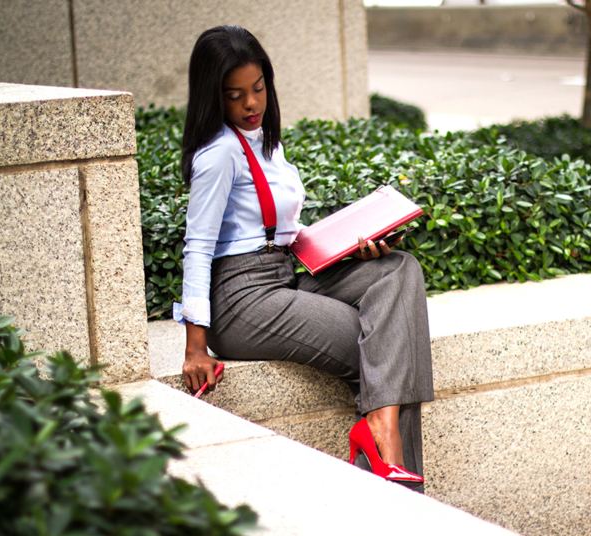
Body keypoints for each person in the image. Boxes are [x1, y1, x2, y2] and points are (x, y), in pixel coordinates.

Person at [174, 25, 434, 489]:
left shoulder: (265, 145)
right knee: (391, 347)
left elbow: (283, 233)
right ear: (214, 97)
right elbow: (197, 246)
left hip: (283, 275)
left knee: (398, 269)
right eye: (235, 96)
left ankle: (383, 443)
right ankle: (400, 491)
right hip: (243, 300)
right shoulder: (219, 156)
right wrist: (196, 345)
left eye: (258, 89)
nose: (251, 105)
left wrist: (354, 244)